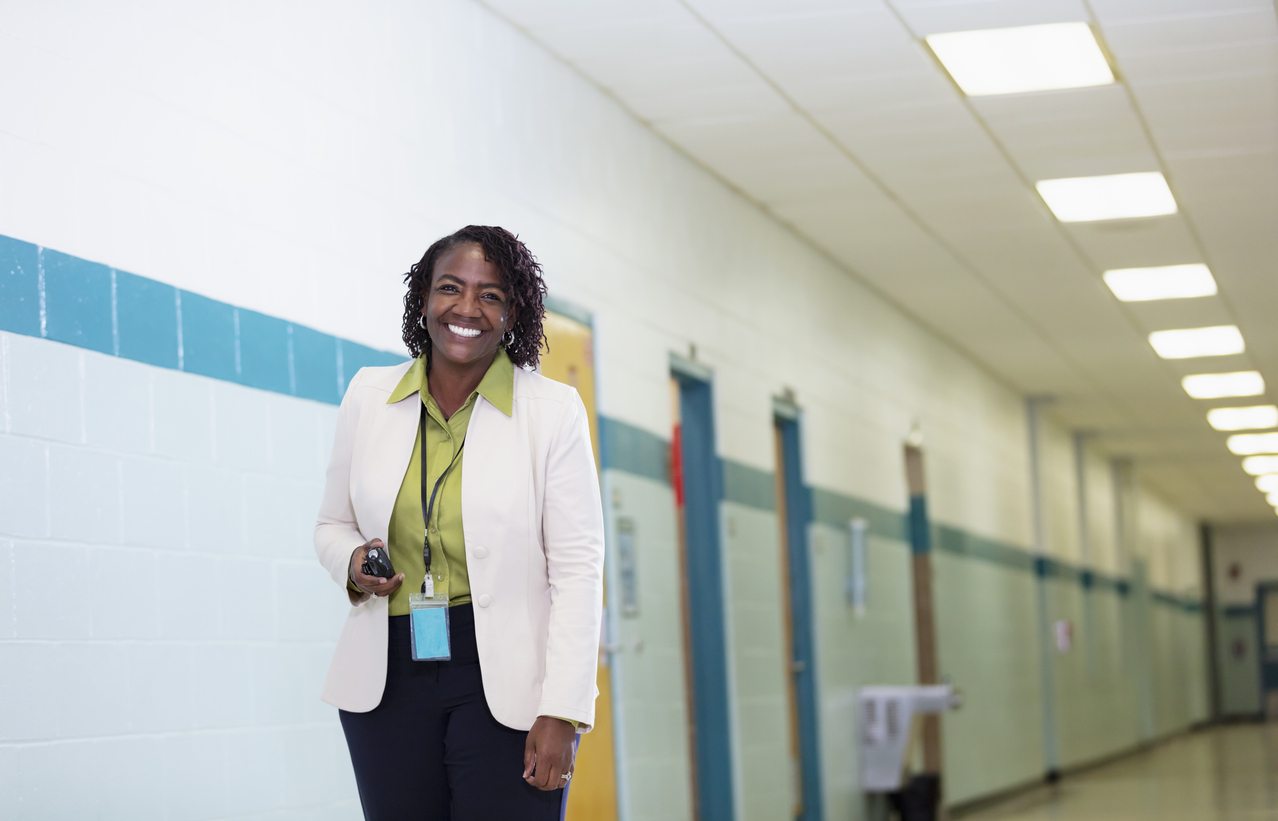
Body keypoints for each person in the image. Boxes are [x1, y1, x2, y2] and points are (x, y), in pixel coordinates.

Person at [314, 225, 605, 820]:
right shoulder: (369, 396)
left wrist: (564, 709)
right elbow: (330, 524)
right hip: (388, 675)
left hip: (504, 678)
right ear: (423, 299)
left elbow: (579, 572)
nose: (467, 308)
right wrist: (351, 560)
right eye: (450, 288)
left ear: (513, 312)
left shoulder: (551, 414)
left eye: (491, 294)